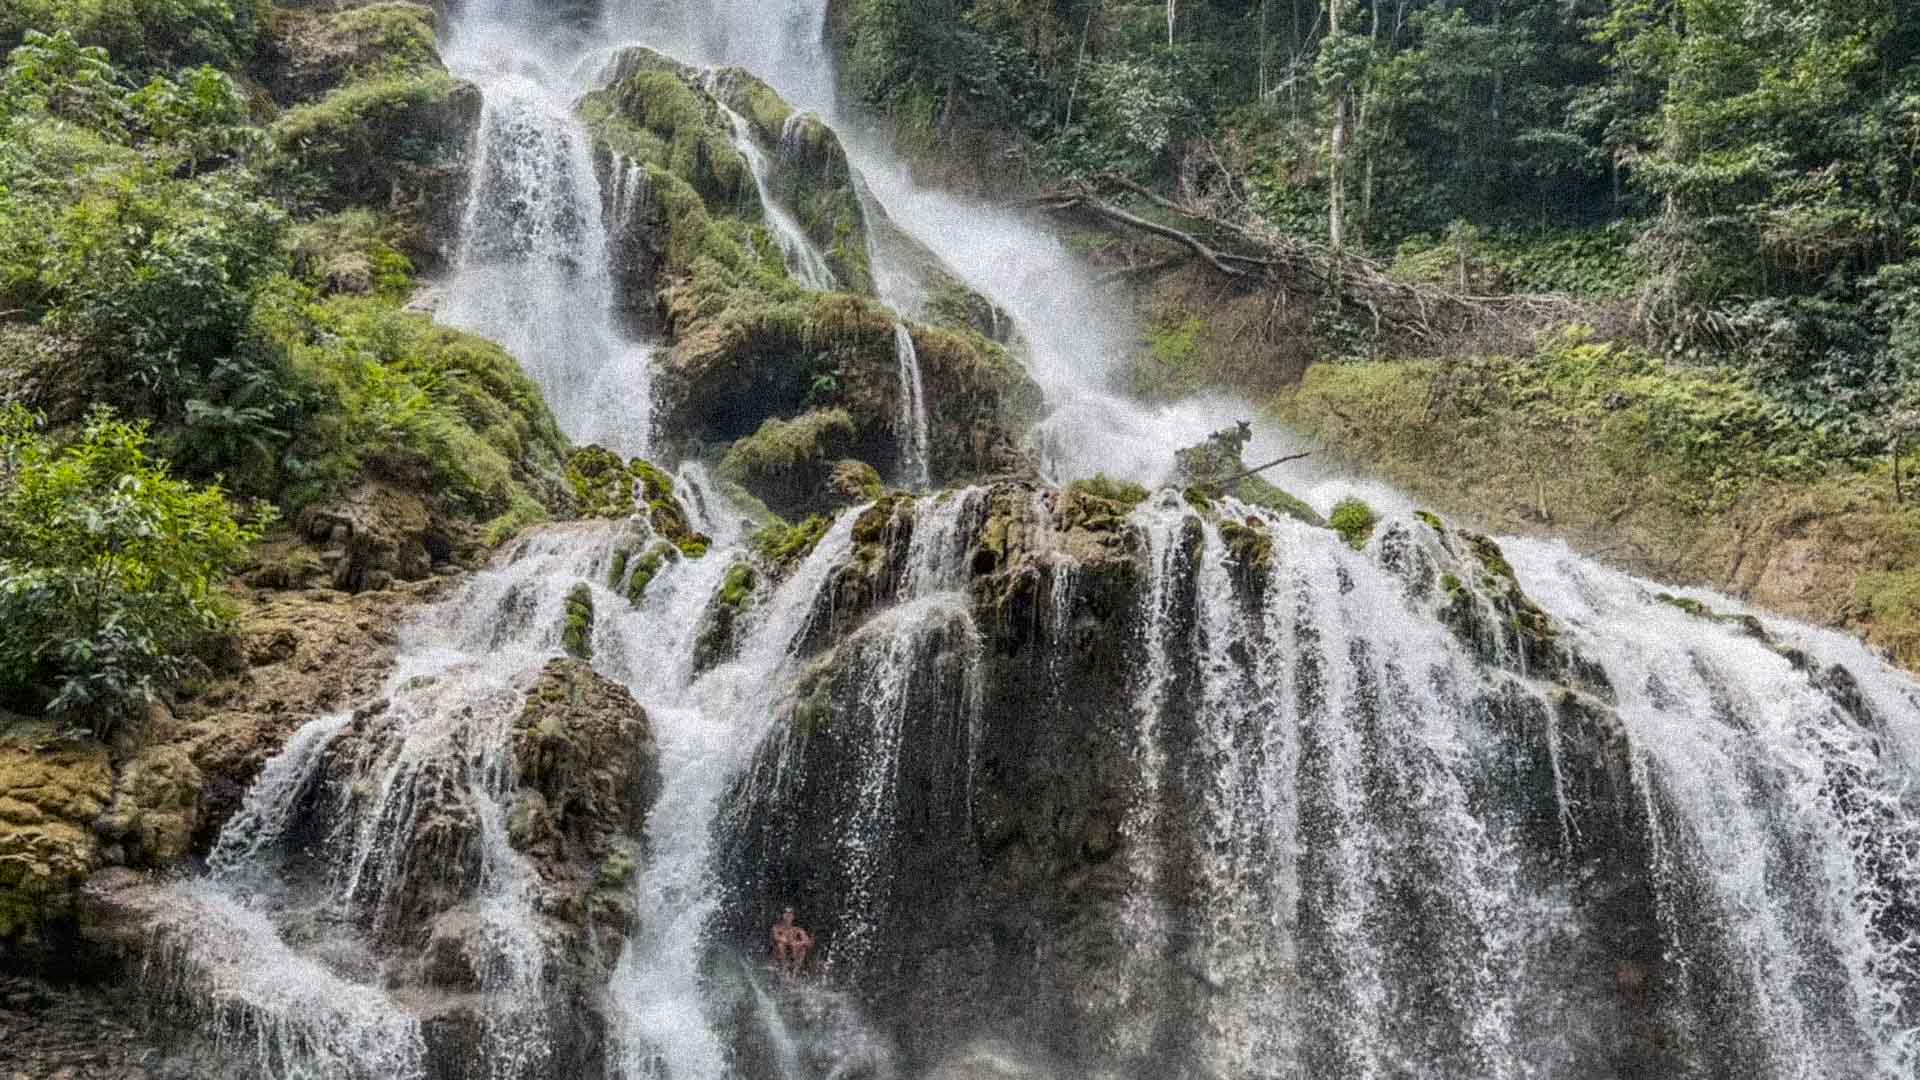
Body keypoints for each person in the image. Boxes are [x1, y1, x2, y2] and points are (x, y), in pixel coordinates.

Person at [770, 907, 815, 977]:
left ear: (793, 917)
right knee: (780, 945)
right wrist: (792, 942)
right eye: (786, 913)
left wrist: (799, 943)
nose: (788, 916)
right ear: (783, 915)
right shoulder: (777, 928)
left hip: (793, 955)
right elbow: (777, 937)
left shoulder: (797, 930)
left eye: (790, 914)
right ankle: (784, 968)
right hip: (780, 954)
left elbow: (808, 942)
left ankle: (794, 972)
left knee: (803, 949)